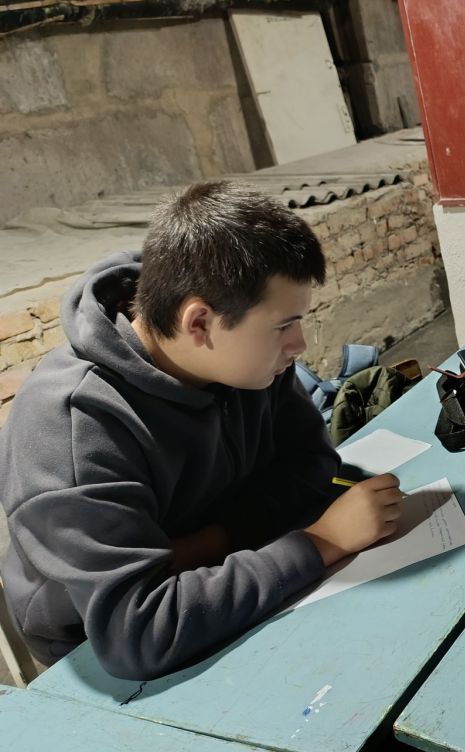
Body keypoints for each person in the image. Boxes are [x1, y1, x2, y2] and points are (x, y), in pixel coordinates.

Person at [0, 181, 405, 680]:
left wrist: (210, 543)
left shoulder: (247, 363)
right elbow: (139, 633)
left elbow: (311, 466)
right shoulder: (72, 429)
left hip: (234, 571)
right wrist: (321, 542)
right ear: (198, 323)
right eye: (283, 325)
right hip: (92, 649)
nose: (298, 344)